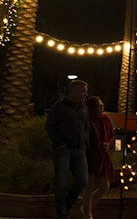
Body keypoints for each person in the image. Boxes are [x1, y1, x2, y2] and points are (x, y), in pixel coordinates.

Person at [45, 79, 89, 219]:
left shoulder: (84, 108)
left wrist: (85, 141)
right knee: (61, 183)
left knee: (82, 180)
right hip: (63, 150)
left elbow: (86, 126)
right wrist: (58, 142)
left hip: (79, 149)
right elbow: (50, 125)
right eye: (83, 91)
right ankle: (62, 213)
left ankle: (66, 207)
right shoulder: (60, 106)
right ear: (74, 91)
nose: (85, 95)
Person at [82, 95, 116, 219]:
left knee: (104, 185)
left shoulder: (105, 119)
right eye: (99, 106)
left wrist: (108, 143)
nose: (102, 108)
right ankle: (87, 212)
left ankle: (88, 207)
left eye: (102, 106)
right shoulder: (87, 121)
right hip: (91, 155)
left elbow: (111, 134)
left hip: (103, 155)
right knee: (90, 185)